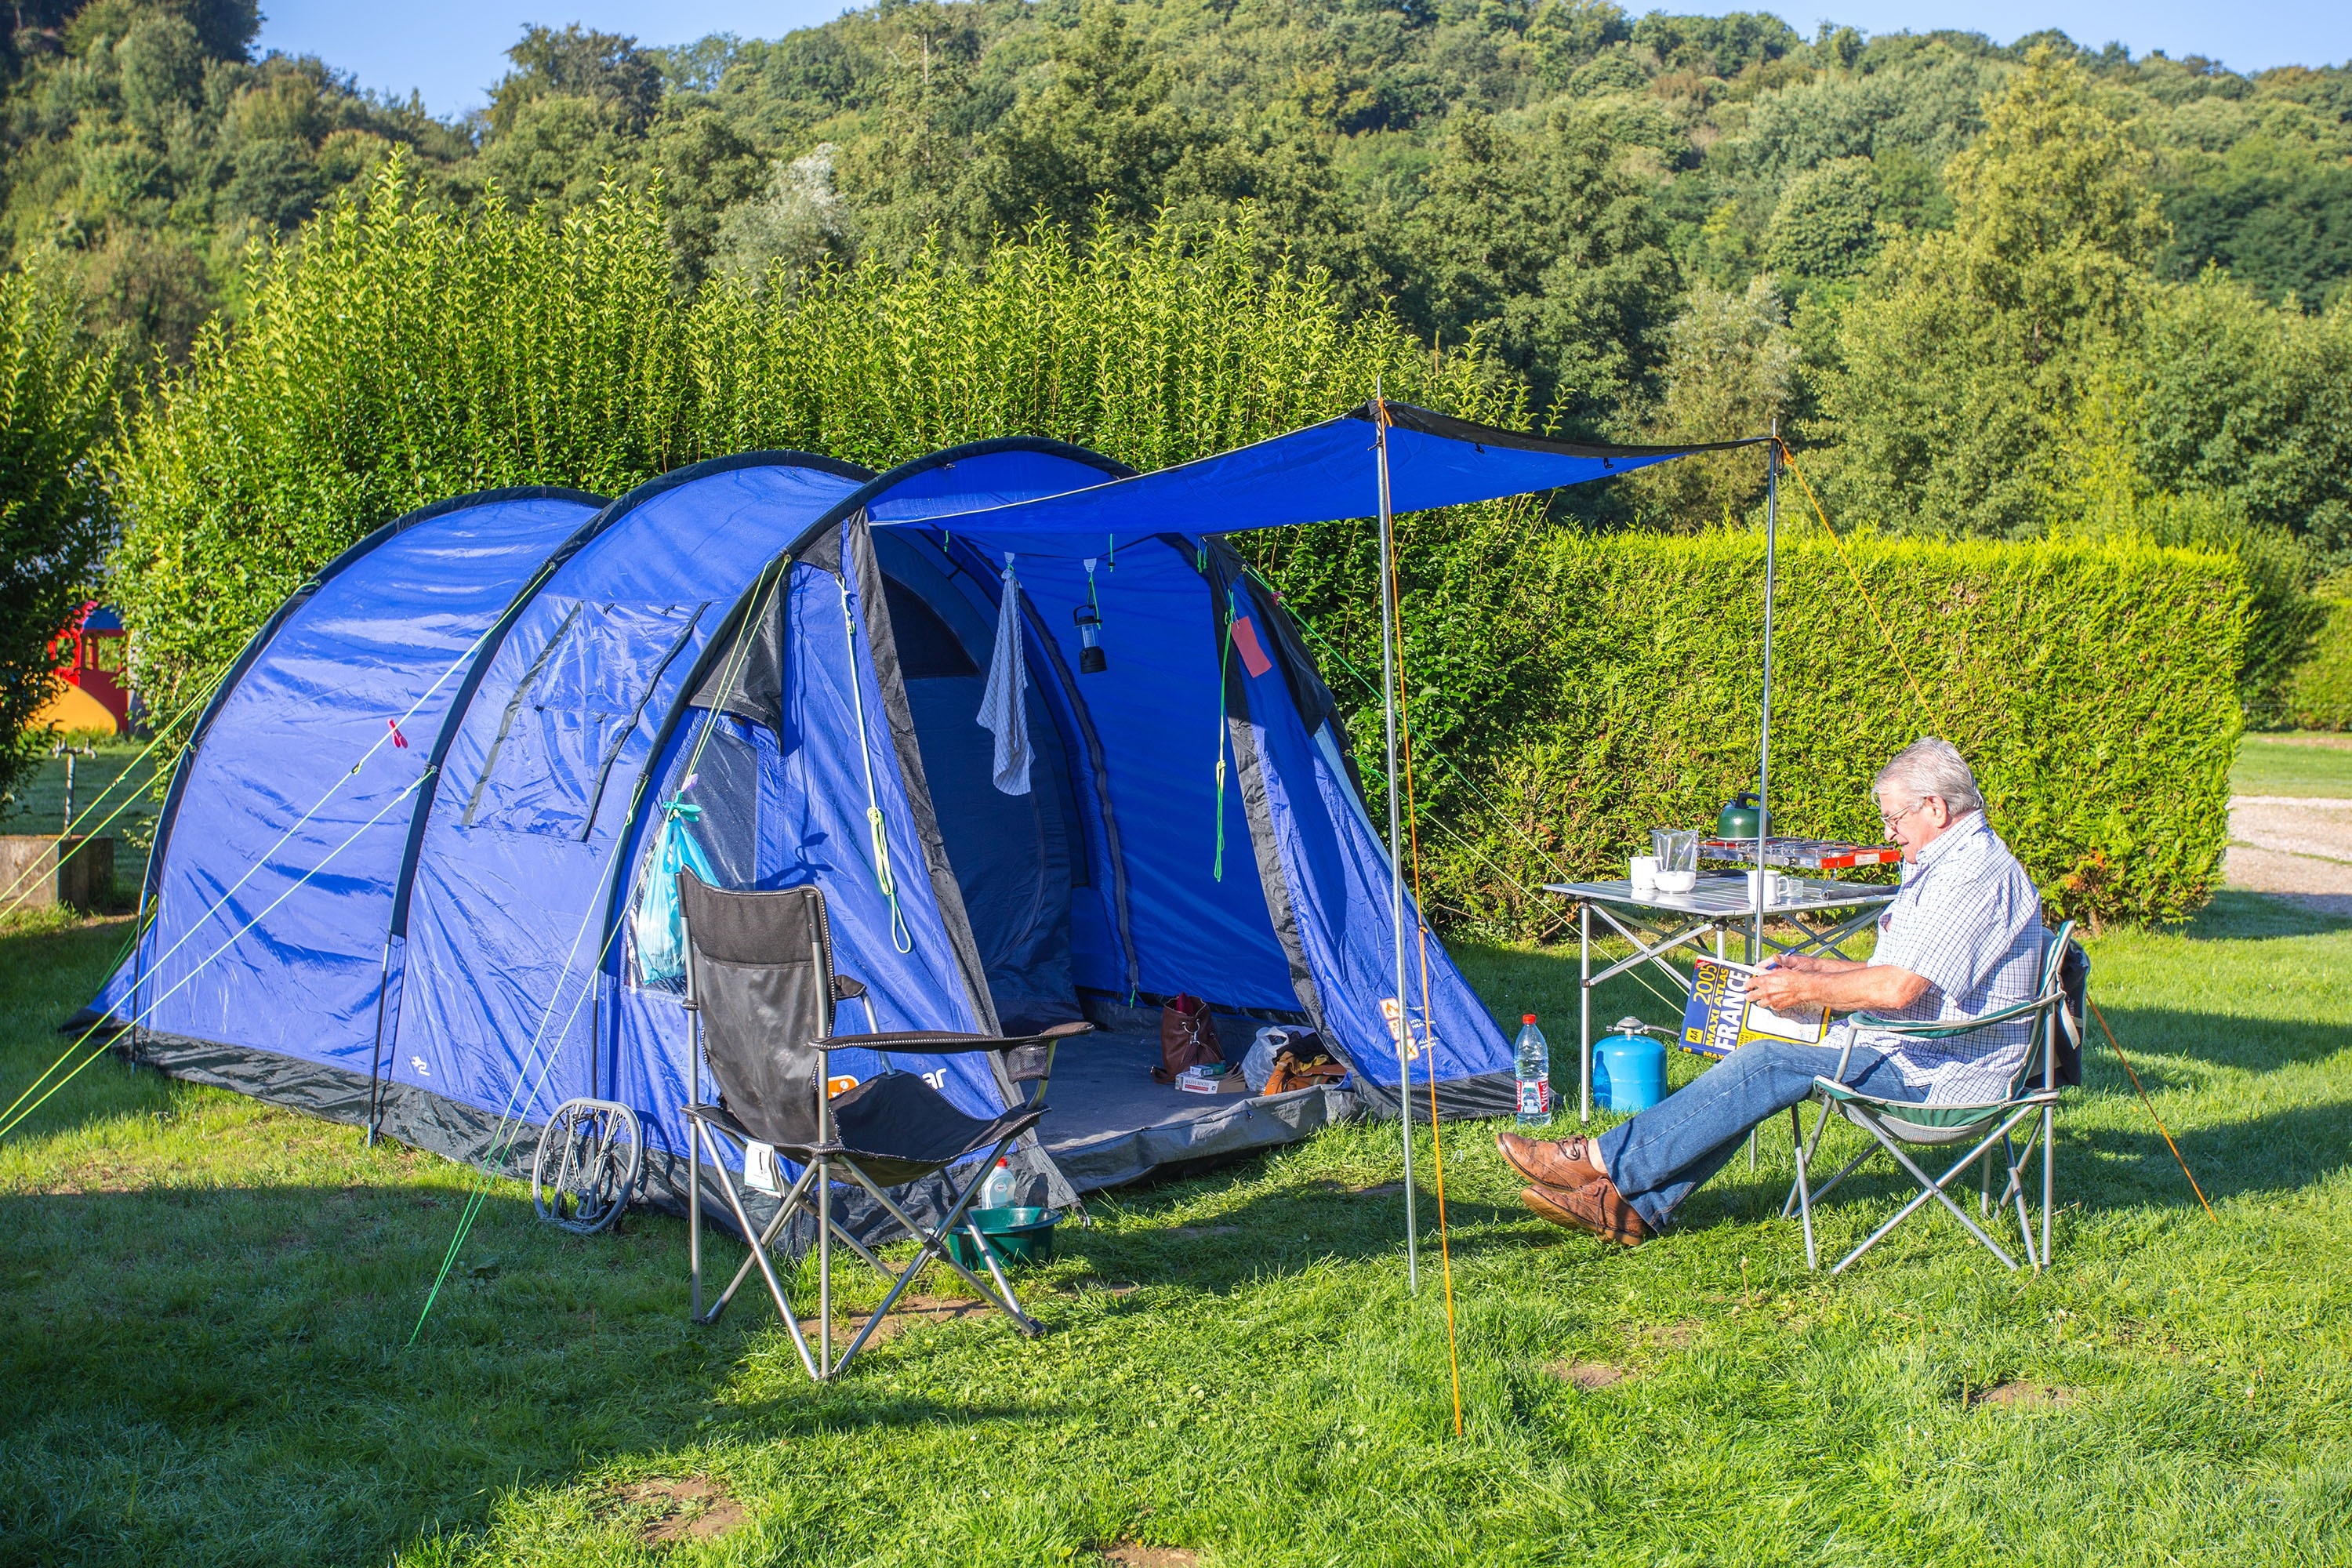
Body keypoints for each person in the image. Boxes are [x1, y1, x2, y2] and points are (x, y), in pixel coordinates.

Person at [1500, 737, 2045, 1245]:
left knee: (1767, 1064)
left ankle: (1598, 1160)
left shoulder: (1971, 876)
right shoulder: (1955, 864)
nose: (1889, 832)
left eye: (1894, 817)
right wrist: (1815, 968)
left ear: (1936, 808)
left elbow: (1901, 988)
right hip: (1912, 1047)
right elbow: (1911, 972)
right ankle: (1631, 1207)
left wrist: (1807, 988)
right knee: (1759, 1052)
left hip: (1940, 1076)